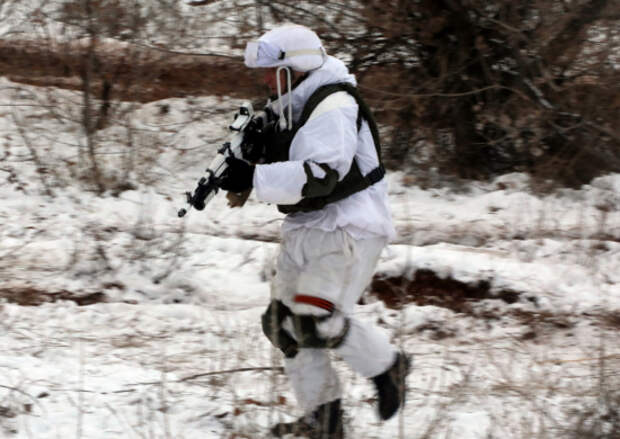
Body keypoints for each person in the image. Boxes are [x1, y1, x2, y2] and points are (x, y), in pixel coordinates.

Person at [218, 24, 410, 438]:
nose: (267, 80)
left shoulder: (334, 105)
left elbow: (321, 174)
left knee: (316, 318)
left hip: (348, 228)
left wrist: (255, 178)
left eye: (274, 71)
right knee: (284, 323)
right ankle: (323, 419)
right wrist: (243, 166)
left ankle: (388, 368)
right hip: (306, 227)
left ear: (297, 66)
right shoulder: (293, 104)